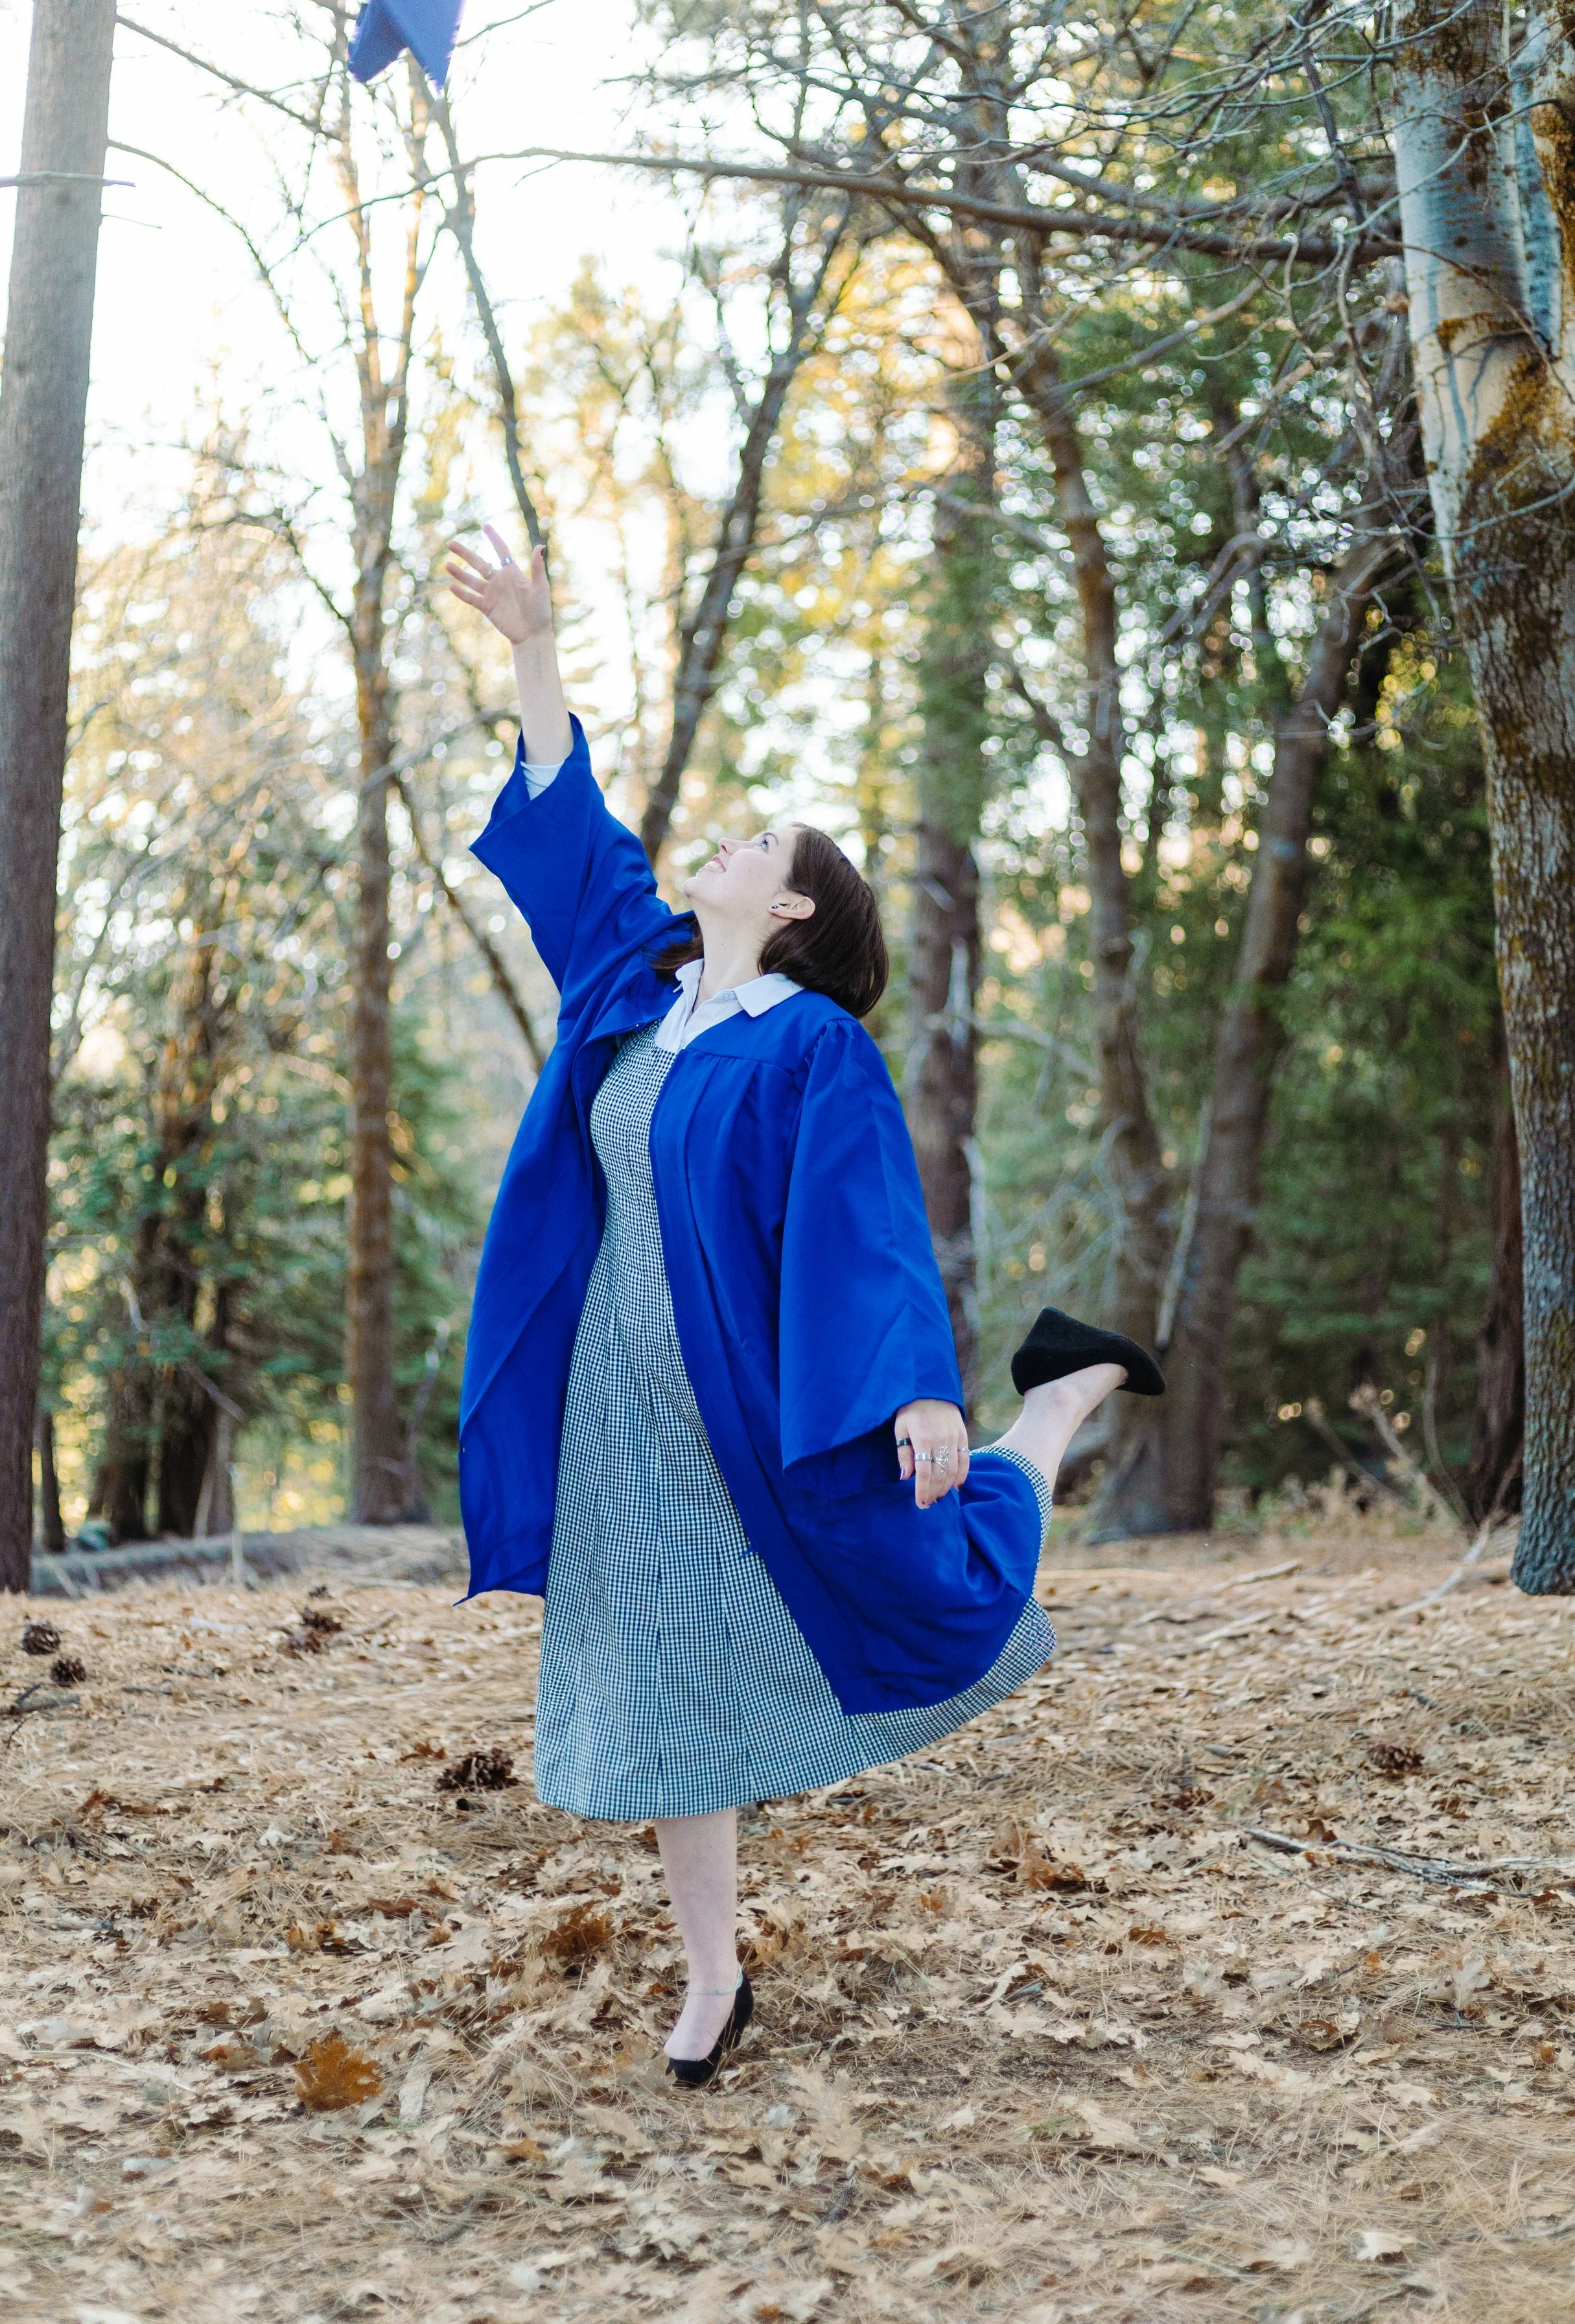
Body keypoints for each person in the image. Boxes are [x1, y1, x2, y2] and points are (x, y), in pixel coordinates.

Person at [444, 527, 1165, 2085]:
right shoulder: (634, 993)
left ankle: (1045, 1407)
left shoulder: (808, 1049)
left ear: (789, 913)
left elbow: (860, 1223)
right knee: (653, 1673)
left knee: (941, 1559)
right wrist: (532, 647)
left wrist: (915, 1382)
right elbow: (574, 839)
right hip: (609, 1411)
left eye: (751, 844)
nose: (718, 844)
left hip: (746, 1407)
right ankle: (712, 1981)